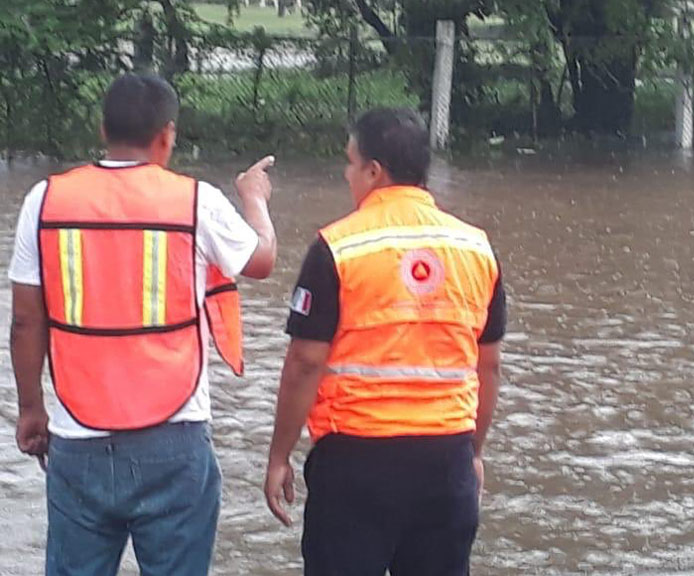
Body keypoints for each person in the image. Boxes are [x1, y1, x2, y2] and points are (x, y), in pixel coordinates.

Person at [9, 73, 278, 575]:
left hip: (76, 432)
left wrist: (31, 409)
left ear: (101, 127)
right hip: (174, 436)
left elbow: (25, 321)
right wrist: (255, 199)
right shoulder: (196, 200)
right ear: (168, 135)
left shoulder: (43, 201)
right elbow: (262, 260)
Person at [263, 108, 506, 575]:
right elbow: (488, 366)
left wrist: (279, 456)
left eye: (350, 163)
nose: (346, 174)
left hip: (356, 463)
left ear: (374, 171)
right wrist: (472, 453)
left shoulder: (337, 247)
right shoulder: (477, 248)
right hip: (446, 461)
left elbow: (304, 363)